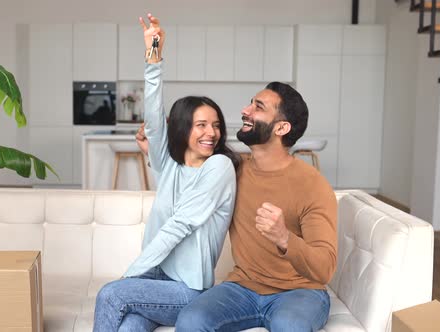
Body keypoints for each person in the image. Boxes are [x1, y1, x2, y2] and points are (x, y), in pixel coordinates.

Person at [134, 17, 337, 332]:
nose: (245, 110)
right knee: (190, 320)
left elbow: (324, 269)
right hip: (241, 288)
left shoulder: (313, 185)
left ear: (282, 128)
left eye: (258, 107)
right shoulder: (230, 168)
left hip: (300, 292)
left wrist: (285, 237)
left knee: (289, 326)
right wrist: (157, 153)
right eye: (250, 103)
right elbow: (183, 163)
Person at [93, 14, 240, 332]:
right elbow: (154, 111)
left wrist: (129, 276)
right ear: (183, 126)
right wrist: (153, 52)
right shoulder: (171, 163)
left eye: (215, 125)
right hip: (156, 276)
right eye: (201, 125)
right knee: (131, 326)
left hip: (188, 290)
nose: (211, 133)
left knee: (111, 295)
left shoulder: (219, 167)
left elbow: (180, 225)